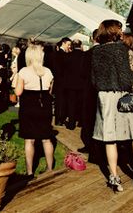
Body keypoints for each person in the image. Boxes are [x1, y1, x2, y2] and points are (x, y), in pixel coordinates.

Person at [91, 19, 133, 193]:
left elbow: (94, 80)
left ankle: (114, 177)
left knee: (110, 139)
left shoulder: (96, 52)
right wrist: (132, 76)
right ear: (114, 31)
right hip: (121, 96)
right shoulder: (119, 49)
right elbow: (125, 78)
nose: (122, 31)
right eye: (120, 29)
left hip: (103, 97)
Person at [15, 44, 55, 176]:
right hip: (45, 105)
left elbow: (18, 92)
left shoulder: (23, 71)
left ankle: (30, 171)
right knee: (46, 138)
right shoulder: (48, 71)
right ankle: (50, 168)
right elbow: (50, 90)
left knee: (29, 139)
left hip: (29, 105)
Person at [63, 39, 86, 130]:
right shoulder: (84, 56)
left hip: (70, 84)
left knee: (71, 104)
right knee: (81, 103)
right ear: (80, 45)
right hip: (82, 83)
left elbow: (65, 70)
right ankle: (80, 121)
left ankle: (71, 123)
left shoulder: (68, 56)